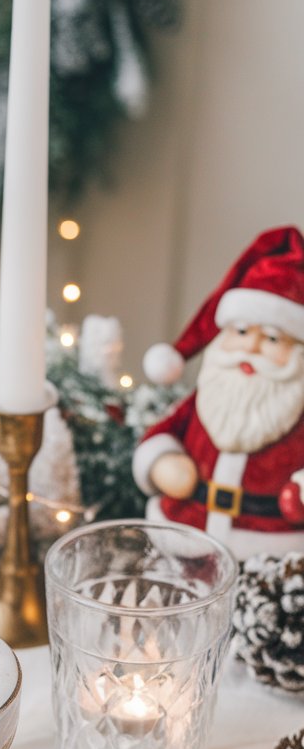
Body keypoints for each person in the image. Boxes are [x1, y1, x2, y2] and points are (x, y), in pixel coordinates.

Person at [134, 225, 304, 558]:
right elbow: (162, 433)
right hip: (184, 536)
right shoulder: (209, 395)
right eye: (241, 331)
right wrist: (162, 463)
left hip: (264, 554)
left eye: (271, 338)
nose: (251, 348)